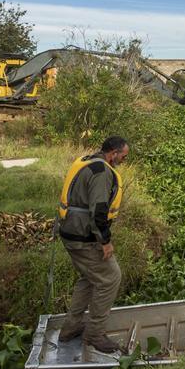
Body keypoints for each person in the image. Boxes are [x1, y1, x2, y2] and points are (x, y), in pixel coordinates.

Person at [57, 135, 129, 352]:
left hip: (71, 232)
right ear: (113, 153)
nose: (124, 160)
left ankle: (71, 328)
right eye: (123, 156)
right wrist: (105, 241)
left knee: (89, 278)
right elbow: (98, 211)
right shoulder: (102, 173)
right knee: (110, 278)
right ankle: (95, 335)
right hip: (84, 237)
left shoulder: (87, 161)